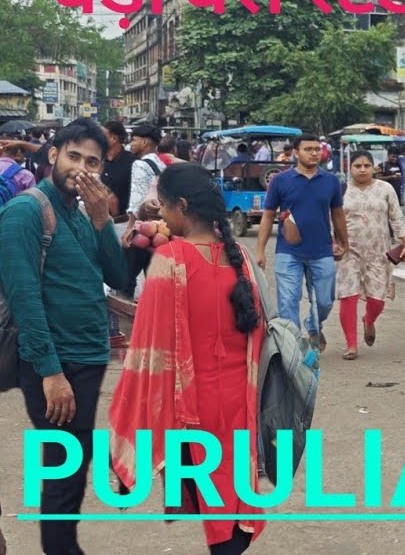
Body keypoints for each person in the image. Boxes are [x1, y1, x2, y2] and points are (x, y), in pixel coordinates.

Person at [107, 163, 268, 555]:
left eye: (164, 207)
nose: (161, 215)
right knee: (232, 496)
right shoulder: (240, 257)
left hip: (192, 408)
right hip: (239, 400)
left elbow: (146, 353)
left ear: (181, 206)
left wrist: (126, 437)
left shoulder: (171, 259)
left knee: (214, 505)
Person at [0, 118, 126, 555]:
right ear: (53, 155)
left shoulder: (80, 213)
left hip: (87, 358)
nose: (82, 168)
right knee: (63, 472)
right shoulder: (26, 211)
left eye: (93, 162)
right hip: (56, 363)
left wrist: (103, 219)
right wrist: (51, 373)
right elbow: (24, 298)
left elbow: (117, 275)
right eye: (74, 156)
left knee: (72, 466)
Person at [255, 133, 348, 352]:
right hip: (288, 251)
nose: (314, 153)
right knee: (288, 301)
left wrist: (344, 243)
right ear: (296, 153)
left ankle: (314, 326)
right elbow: (268, 216)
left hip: (322, 250)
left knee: (325, 301)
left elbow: (337, 214)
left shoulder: (331, 181)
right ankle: (294, 349)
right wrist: (260, 250)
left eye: (317, 149)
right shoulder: (280, 180)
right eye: (308, 149)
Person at [335, 151, 405, 360]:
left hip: (379, 252)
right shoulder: (340, 190)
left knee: (377, 299)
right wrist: (333, 242)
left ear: (373, 168)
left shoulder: (385, 189)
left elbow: (396, 216)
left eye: (366, 166)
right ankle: (351, 345)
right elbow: (330, 217)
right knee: (348, 296)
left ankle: (368, 321)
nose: (362, 170)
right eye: (357, 166)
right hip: (348, 250)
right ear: (350, 168)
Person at [124, 122, 166, 300]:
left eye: (133, 140)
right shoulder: (161, 164)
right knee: (154, 278)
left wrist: (130, 228)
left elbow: (137, 197)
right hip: (160, 229)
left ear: (145, 142)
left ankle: (126, 311)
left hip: (142, 228)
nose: (131, 144)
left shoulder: (140, 164)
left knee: (126, 277)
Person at [99, 121, 134, 219]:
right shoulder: (98, 160)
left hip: (123, 220)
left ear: (114, 139)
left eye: (103, 136)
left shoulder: (132, 162)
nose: (99, 139)